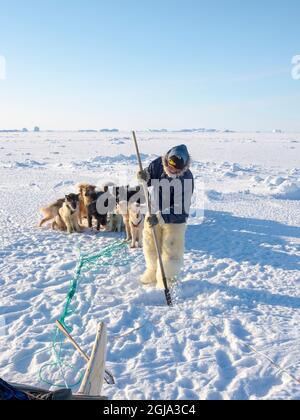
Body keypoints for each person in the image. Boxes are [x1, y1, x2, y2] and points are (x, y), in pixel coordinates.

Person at [137, 144, 194, 289]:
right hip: (154, 211)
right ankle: (152, 271)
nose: (172, 170)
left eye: (176, 169)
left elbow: (181, 209)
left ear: (183, 167)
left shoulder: (187, 179)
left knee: (171, 250)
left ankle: (167, 278)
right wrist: (143, 176)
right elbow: (147, 180)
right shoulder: (159, 164)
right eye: (170, 165)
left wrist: (161, 217)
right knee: (150, 245)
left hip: (175, 220)